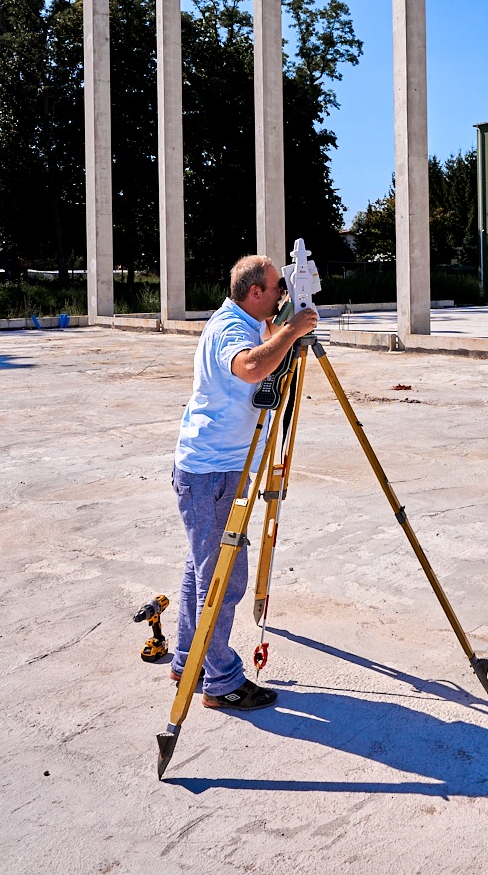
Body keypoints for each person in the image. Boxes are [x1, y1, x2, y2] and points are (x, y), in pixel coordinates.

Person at [168, 253, 319, 709]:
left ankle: (187, 661)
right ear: (255, 292)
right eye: (277, 289)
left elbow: (265, 341)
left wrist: (285, 325)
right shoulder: (230, 331)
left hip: (213, 469)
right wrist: (294, 330)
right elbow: (252, 367)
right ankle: (220, 681)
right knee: (223, 581)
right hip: (211, 473)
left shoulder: (244, 320)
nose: (281, 296)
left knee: (202, 571)